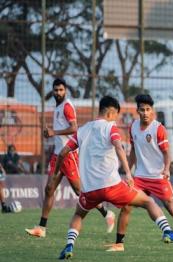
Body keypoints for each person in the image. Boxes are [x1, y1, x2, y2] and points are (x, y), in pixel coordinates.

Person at [57, 95, 173, 259]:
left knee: (78, 214)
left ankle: (69, 246)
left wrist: (56, 171)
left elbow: (63, 153)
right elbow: (119, 147)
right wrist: (127, 172)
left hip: (90, 189)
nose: (116, 120)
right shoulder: (111, 128)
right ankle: (168, 230)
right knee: (148, 201)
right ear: (111, 113)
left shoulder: (81, 131)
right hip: (112, 186)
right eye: (116, 116)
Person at [25, 78, 115, 238]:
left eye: (61, 90)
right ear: (52, 91)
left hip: (69, 155)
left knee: (80, 191)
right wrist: (51, 135)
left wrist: (54, 132)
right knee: (49, 189)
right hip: (57, 155)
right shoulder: (58, 107)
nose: (58, 92)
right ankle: (41, 228)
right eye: (55, 90)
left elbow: (74, 128)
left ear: (65, 90)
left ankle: (107, 214)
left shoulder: (67, 106)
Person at [106, 94, 173, 252]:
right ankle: (119, 243)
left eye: (148, 109)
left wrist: (166, 169)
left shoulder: (158, 128)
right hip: (140, 177)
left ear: (152, 111)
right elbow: (133, 151)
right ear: (137, 111)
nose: (145, 112)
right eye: (142, 109)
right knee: (126, 206)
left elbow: (167, 153)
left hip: (158, 177)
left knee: (172, 209)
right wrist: (127, 170)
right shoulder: (133, 127)